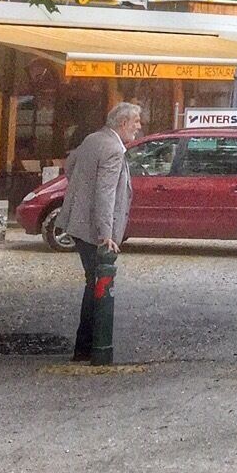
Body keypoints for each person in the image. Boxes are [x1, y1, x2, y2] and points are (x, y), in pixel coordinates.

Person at [58, 101, 144, 364]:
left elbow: (70, 165)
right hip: (95, 230)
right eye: (136, 122)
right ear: (123, 124)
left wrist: (80, 195)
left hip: (79, 224)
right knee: (97, 285)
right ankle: (91, 348)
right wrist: (106, 234)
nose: (139, 128)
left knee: (92, 283)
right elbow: (106, 194)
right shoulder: (113, 149)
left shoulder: (93, 139)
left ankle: (84, 348)